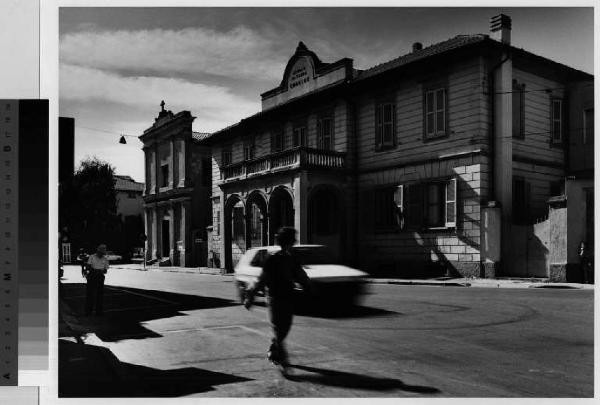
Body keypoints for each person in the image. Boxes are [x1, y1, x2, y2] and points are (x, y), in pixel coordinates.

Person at [244, 227, 311, 374]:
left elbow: (300, 275)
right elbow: (261, 279)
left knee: (284, 328)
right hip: (274, 298)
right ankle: (284, 361)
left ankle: (274, 349)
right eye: (293, 239)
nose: (295, 241)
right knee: (278, 328)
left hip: (288, 297)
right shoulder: (272, 259)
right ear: (288, 241)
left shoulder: (292, 258)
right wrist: (250, 296)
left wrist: (307, 286)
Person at [85, 244, 110, 315]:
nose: (101, 254)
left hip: (100, 277)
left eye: (103, 253)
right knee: (90, 294)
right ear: (98, 251)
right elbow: (88, 267)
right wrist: (96, 270)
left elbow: (105, 270)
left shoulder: (105, 259)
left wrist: (101, 271)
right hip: (92, 276)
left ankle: (98, 311)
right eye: (101, 252)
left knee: (100, 295)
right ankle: (88, 311)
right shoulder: (92, 257)